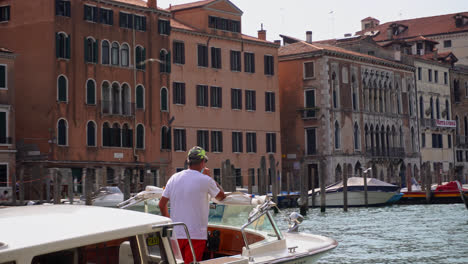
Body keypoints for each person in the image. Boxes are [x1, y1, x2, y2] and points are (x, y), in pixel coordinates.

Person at [159, 146, 226, 263]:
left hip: (176, 234)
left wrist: (170, 223)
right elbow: (221, 196)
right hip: (196, 235)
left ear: (188, 161)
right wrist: (210, 177)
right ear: (202, 162)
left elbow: (161, 204)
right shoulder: (206, 180)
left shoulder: (173, 178)